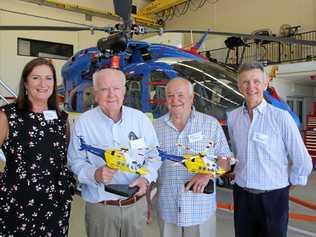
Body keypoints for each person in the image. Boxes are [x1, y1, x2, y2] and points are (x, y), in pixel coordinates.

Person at [67, 68, 161, 237]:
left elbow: (154, 155)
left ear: (124, 91)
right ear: (95, 94)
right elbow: (75, 161)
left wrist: (145, 178)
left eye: (116, 88)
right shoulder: (84, 123)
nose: (111, 95)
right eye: (104, 89)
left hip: (135, 206)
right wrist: (94, 174)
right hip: (101, 208)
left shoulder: (140, 120)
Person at [227, 62, 313, 237]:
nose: (251, 87)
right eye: (245, 82)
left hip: (274, 198)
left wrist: (290, 182)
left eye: (256, 81)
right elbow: (236, 152)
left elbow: (303, 160)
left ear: (265, 84)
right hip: (242, 196)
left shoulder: (281, 118)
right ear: (239, 86)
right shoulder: (233, 117)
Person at [0, 57, 73, 236]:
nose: (43, 84)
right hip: (18, 201)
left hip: (55, 201)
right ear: (25, 82)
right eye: (36, 78)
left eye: (49, 78)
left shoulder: (61, 119)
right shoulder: (8, 116)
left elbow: (63, 159)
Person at [154, 77, 232, 237]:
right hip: (168, 208)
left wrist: (208, 174)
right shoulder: (155, 127)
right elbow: (151, 165)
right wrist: (147, 200)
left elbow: (225, 161)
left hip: (200, 209)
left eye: (180, 95)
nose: (175, 100)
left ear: (191, 97)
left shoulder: (210, 124)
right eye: (170, 95)